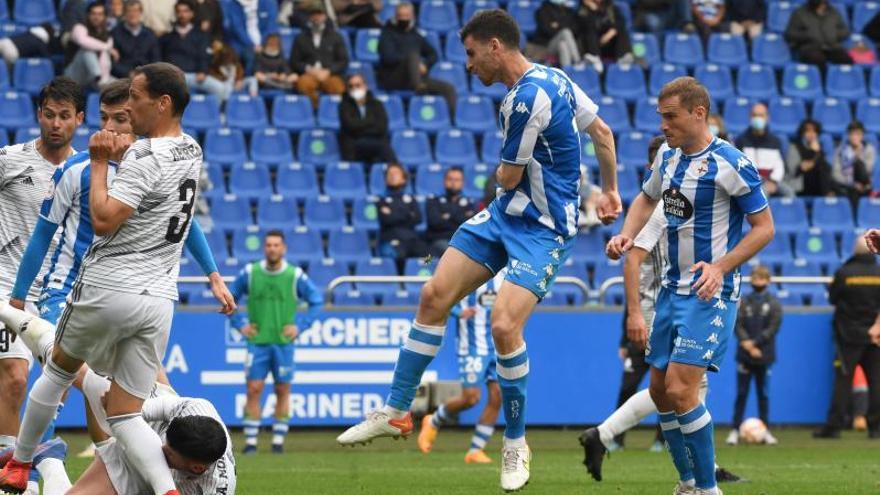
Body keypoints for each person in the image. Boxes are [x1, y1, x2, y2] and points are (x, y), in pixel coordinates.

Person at [337, 10, 621, 492]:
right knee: (433, 295)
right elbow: (604, 134)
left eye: (470, 54)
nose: (468, 66)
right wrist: (611, 190)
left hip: (544, 230)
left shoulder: (523, 101)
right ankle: (397, 411)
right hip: (503, 217)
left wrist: (505, 178)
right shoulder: (558, 79)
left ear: (495, 46)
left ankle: (514, 443)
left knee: (504, 325)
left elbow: (508, 176)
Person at [0, 62, 234, 495]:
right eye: (110, 116)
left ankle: (21, 463)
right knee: (123, 411)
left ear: (159, 105)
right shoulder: (191, 150)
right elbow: (41, 239)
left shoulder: (129, 159)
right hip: (157, 298)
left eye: (128, 110)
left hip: (106, 289)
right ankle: (167, 490)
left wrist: (100, 161)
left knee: (59, 372)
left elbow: (105, 219)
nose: (120, 119)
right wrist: (17, 295)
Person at [607, 76, 775, 495]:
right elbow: (646, 198)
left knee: (682, 390)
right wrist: (628, 234)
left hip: (709, 293)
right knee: (661, 391)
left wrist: (720, 266)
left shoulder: (731, 163)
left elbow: (765, 228)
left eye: (671, 116)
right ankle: (687, 483)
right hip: (670, 290)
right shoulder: (667, 156)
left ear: (698, 114)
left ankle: (707, 488)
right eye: (661, 116)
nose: (663, 125)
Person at [580, 137, 742, 486]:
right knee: (678, 391)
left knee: (676, 391)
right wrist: (634, 316)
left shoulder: (693, 205)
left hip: (680, 301)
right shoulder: (661, 209)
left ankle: (692, 474)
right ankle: (701, 477)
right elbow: (633, 259)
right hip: (662, 305)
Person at [0, 77, 84, 495]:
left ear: (79, 119)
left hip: (56, 292)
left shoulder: (85, 170)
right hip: (5, 285)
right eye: (49, 114)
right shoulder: (9, 160)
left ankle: (30, 470)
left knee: (55, 385)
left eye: (64, 116)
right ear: (39, 114)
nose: (55, 123)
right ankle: (13, 470)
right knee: (15, 378)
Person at [598, 136, 667, 454]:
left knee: (679, 385)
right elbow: (632, 261)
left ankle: (676, 449)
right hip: (651, 309)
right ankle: (608, 435)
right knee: (667, 385)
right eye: (656, 161)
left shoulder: (682, 201)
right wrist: (630, 324)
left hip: (676, 303)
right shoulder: (647, 207)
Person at [69, 367, 236, 494]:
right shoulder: (197, 408)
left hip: (145, 479)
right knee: (91, 380)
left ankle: (51, 461)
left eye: (169, 454)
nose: (161, 449)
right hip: (147, 424)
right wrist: (121, 411)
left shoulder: (216, 488)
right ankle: (53, 343)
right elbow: (162, 405)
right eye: (166, 445)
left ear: (197, 468)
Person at [228, 231, 323, 455]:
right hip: (257, 342)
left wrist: (300, 326)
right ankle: (251, 442)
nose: (272, 249)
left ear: (284, 249)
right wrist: (240, 324)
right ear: (264, 248)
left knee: (282, 389)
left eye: (276, 245)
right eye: (269, 245)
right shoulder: (251, 273)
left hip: (283, 343)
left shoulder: (295, 275)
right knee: (253, 389)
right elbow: (229, 298)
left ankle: (278, 442)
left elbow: (316, 301)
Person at [417, 270, 506, 463]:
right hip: (472, 345)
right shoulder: (469, 269)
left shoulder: (506, 271)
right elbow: (441, 297)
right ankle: (432, 421)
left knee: (498, 394)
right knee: (471, 398)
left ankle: (475, 450)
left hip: (497, 343)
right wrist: (459, 312)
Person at [814, 236, 880, 439]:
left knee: (843, 381)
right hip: (874, 335)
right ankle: (876, 428)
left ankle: (834, 427)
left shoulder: (844, 272)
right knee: (876, 382)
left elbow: (834, 298)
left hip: (847, 335)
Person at [726, 265, 781, 446]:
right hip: (745, 355)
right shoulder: (744, 301)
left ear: (768, 281)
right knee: (741, 393)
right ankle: (734, 430)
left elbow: (773, 328)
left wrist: (755, 344)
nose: (758, 282)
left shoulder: (773, 303)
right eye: (755, 279)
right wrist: (748, 345)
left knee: (763, 394)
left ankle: (766, 431)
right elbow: (737, 323)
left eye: (762, 279)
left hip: (764, 355)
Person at [377, 3, 457, 119]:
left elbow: (433, 54)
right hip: (393, 78)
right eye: (401, 16)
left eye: (406, 16)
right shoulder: (387, 33)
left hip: (414, 78)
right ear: (395, 16)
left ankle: (451, 120)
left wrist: (424, 64)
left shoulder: (415, 35)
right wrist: (411, 61)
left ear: (412, 17)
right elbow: (388, 57)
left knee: (448, 89)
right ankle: (419, 88)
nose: (403, 19)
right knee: (413, 56)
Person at [161, 0, 226, 101]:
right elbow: (162, 58)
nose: (182, 15)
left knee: (220, 89)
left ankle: (214, 116)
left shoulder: (200, 35)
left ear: (192, 13)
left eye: (185, 11)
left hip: (195, 77)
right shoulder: (167, 37)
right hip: (173, 77)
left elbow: (204, 56)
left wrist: (203, 71)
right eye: (179, 11)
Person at [289, 5, 348, 108]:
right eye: (314, 14)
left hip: (329, 74)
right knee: (303, 84)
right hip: (309, 74)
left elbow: (343, 60)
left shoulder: (336, 37)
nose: (316, 17)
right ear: (309, 17)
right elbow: (294, 61)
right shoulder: (300, 38)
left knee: (337, 87)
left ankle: (334, 114)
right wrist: (309, 69)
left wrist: (328, 71)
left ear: (325, 16)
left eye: (319, 14)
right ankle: (316, 111)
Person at [734, 102, 791, 197]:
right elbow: (740, 167)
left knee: (789, 193)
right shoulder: (741, 140)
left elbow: (780, 165)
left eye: (761, 115)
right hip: (751, 182)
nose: (757, 118)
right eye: (754, 115)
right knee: (763, 192)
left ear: (767, 117)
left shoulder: (775, 141)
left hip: (772, 180)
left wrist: (773, 181)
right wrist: (761, 181)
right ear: (750, 117)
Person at [338, 73, 396, 164]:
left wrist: (360, 128)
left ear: (365, 86)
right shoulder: (344, 106)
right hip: (354, 147)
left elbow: (381, 127)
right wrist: (371, 121)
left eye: (358, 85)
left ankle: (394, 172)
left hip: (374, 143)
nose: (354, 89)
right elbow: (350, 126)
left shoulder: (377, 104)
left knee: (380, 155)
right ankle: (397, 170)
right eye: (351, 86)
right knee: (382, 146)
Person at [377, 163, 428, 264]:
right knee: (397, 257)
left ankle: (425, 277)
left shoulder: (411, 199)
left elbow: (418, 218)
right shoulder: (381, 200)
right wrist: (408, 214)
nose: (392, 176)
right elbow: (387, 219)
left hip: (412, 240)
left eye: (396, 173)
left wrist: (394, 213)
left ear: (404, 178)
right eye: (389, 174)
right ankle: (399, 279)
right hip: (391, 240)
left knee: (430, 258)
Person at [426, 168, 477, 259]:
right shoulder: (434, 200)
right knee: (453, 252)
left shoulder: (469, 202)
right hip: (440, 240)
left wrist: (447, 216)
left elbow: (470, 225)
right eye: (450, 179)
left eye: (457, 180)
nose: (453, 183)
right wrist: (460, 216)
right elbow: (434, 223)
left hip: (462, 241)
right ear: (444, 181)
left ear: (462, 183)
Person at [784, 0, 851, 69]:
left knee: (845, 59)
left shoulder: (833, 12)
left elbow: (845, 31)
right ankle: (822, 79)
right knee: (818, 60)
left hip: (832, 46)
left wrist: (834, 34)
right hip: (810, 48)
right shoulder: (799, 13)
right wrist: (808, 35)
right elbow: (790, 34)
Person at [63, 1, 114, 90]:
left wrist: (104, 79)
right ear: (88, 15)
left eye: (100, 14)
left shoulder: (107, 35)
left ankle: (102, 81)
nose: (96, 17)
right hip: (73, 76)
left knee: (122, 85)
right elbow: (83, 41)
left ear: (104, 16)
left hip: (91, 78)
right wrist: (106, 47)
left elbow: (105, 60)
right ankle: (98, 78)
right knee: (87, 50)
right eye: (93, 14)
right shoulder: (79, 28)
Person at [576, 0, 634, 73]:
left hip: (609, 44)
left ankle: (623, 58)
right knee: (589, 31)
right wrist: (593, 10)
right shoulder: (583, 9)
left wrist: (611, 32)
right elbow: (584, 26)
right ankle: (595, 59)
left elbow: (621, 21)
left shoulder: (610, 6)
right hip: (591, 46)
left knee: (620, 30)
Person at [223, 0, 280, 73]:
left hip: (264, 42)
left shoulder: (268, 2)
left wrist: (263, 43)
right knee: (250, 55)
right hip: (242, 43)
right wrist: (252, 45)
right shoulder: (233, 4)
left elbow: (271, 26)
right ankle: (249, 79)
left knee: (276, 51)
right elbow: (237, 28)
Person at [110, 0, 160, 79]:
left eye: (136, 11)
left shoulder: (150, 34)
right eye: (129, 11)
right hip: (122, 77)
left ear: (141, 13)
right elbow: (112, 63)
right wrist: (128, 73)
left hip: (146, 77)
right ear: (124, 13)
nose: (133, 14)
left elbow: (156, 59)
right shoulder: (115, 33)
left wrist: (145, 74)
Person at [785, 119, 832, 197]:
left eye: (814, 131)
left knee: (824, 169)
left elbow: (826, 168)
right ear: (802, 133)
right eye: (808, 131)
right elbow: (795, 170)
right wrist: (814, 155)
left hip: (817, 186)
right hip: (800, 184)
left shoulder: (818, 149)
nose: (811, 134)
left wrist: (817, 152)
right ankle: (826, 195)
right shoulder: (795, 147)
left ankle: (827, 196)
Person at [832, 120, 874, 206]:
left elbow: (868, 170)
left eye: (858, 134)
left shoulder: (869, 149)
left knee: (859, 164)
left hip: (864, 185)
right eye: (852, 134)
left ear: (862, 136)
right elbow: (836, 173)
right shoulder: (840, 150)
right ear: (848, 135)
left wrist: (857, 156)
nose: (855, 137)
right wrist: (852, 183)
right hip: (846, 185)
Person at [532, 0, 581, 68]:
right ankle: (577, 61)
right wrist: (563, 25)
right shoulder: (542, 10)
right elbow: (547, 31)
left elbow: (575, 29)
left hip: (563, 43)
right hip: (547, 46)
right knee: (565, 32)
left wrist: (558, 25)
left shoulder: (568, 10)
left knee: (562, 44)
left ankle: (567, 70)